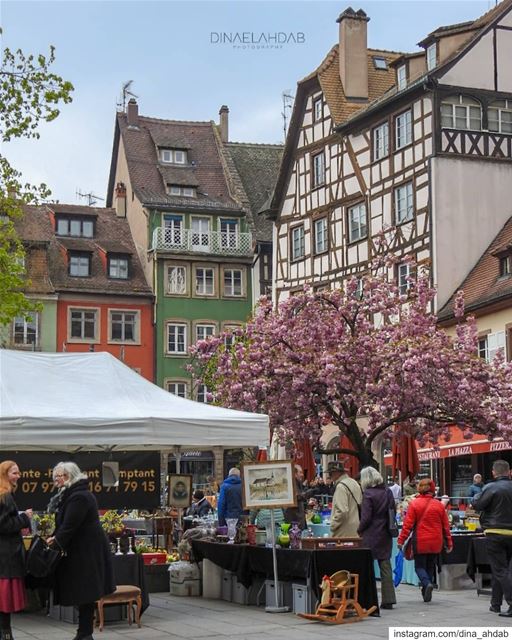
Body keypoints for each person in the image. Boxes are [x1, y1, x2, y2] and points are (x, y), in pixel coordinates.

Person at [48, 462, 115, 640]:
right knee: (83, 592)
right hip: (82, 550)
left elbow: (70, 525)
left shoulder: (79, 497)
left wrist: (56, 541)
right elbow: (65, 524)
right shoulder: (71, 495)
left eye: (61, 476)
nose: (57, 480)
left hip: (87, 552)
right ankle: (84, 632)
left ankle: (85, 633)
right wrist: (55, 537)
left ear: (70, 476)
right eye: (55, 476)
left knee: (85, 591)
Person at [397, 478, 452, 603]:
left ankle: (427, 584)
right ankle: (427, 591)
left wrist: (401, 540)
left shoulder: (414, 504)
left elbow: (407, 526)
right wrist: (449, 543)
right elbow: (445, 527)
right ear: (432, 489)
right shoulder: (439, 505)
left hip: (421, 540)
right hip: (436, 541)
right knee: (430, 565)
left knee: (419, 566)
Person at [473, 459, 512, 617]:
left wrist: (476, 497)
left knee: (500, 569)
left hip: (495, 532)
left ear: (494, 472)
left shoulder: (490, 487)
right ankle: (495, 604)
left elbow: (478, 505)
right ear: (509, 472)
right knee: (502, 569)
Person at [0, 460, 33, 640]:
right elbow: (3, 525)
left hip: (4, 556)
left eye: (18, 472)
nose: (18, 476)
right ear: (5, 474)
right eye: (14, 473)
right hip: (6, 557)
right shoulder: (5, 496)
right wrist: (24, 518)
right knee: (4, 603)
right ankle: (6, 635)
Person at [358, 466, 397, 610]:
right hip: (385, 532)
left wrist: (359, 529)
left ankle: (369, 598)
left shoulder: (368, 494)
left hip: (371, 533)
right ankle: (389, 599)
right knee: (385, 566)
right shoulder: (388, 492)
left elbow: (366, 517)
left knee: (368, 566)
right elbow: (392, 510)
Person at [328, 461, 362, 538]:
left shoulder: (341, 486)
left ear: (336, 473)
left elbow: (342, 511)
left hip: (343, 531)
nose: (330, 476)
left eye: (330, 473)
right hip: (355, 528)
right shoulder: (354, 483)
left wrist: (333, 525)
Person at [284, 464, 307, 529]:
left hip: (298, 521)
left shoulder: (298, 483)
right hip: (295, 522)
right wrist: (307, 494)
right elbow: (296, 497)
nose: (302, 475)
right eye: (300, 472)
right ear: (295, 473)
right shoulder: (292, 484)